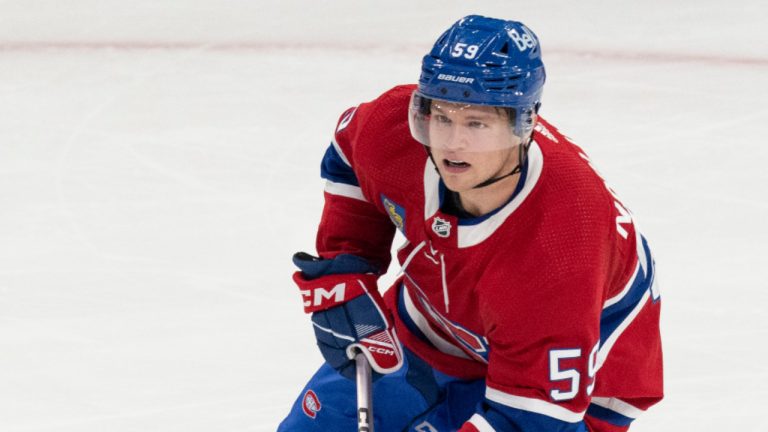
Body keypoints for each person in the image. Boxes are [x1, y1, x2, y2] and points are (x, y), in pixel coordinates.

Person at [278, 15, 663, 432]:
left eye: (476, 123)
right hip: (436, 320)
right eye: (440, 117)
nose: (451, 143)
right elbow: (349, 153)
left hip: (573, 385)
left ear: (523, 124)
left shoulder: (561, 252)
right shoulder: (396, 135)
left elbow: (528, 421)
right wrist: (350, 260)